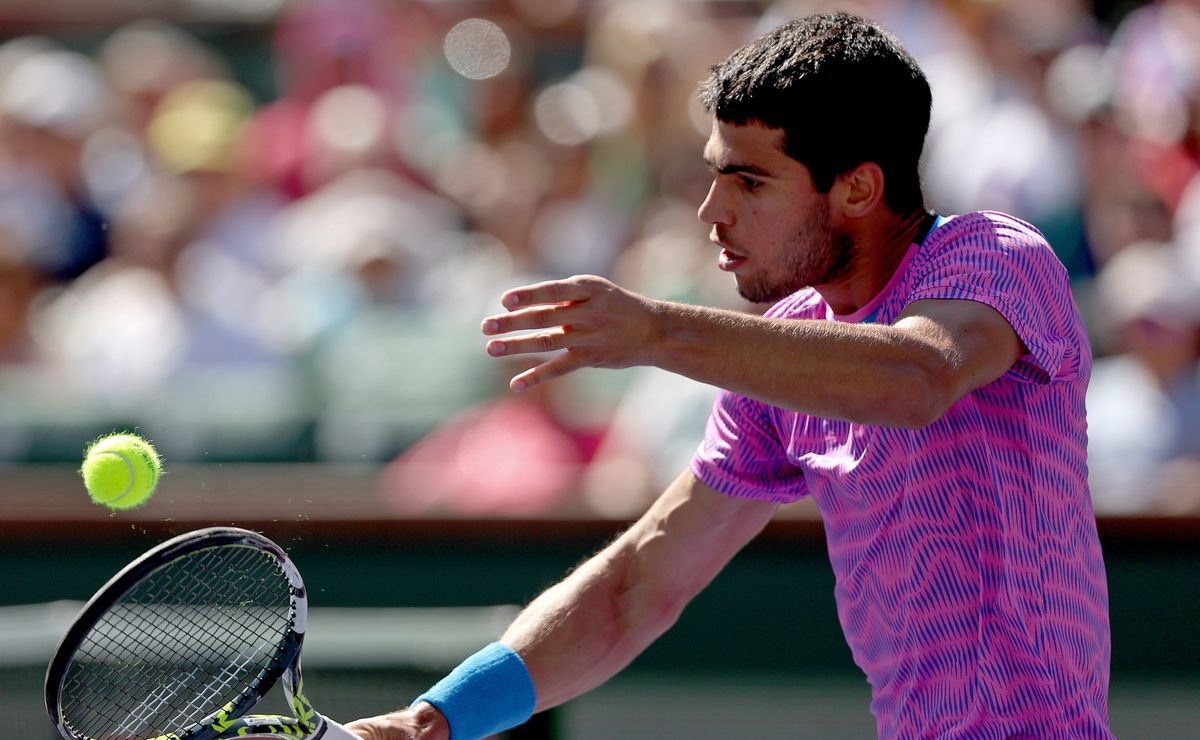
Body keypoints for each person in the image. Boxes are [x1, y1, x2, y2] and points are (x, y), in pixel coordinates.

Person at [346, 12, 1113, 739]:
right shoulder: (784, 352)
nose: (712, 211)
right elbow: (637, 586)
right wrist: (437, 719)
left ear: (857, 188)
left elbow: (914, 379)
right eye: (714, 175)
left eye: (749, 182)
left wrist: (657, 330)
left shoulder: (997, 255)